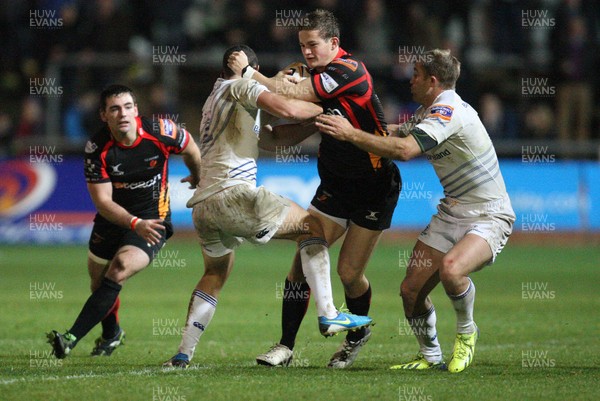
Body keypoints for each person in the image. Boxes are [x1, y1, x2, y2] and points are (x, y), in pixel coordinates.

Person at [162, 45, 372, 369]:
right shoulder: (241, 85)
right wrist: (329, 107)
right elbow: (286, 107)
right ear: (251, 67)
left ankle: (182, 353)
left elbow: (273, 138)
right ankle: (329, 313)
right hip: (235, 196)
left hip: (204, 207)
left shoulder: (217, 96)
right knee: (313, 228)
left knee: (215, 272)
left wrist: (314, 121)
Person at [315, 49, 516, 373]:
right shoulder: (430, 111)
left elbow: (406, 150)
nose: (411, 81)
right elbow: (397, 132)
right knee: (411, 291)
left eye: (417, 75)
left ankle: (467, 332)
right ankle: (431, 355)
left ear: (433, 81)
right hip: (451, 212)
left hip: (488, 214)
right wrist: (349, 122)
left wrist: (351, 134)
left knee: (452, 270)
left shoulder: (448, 111)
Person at [228, 9, 400, 368]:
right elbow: (294, 130)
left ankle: (356, 336)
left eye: (313, 45)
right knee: (300, 267)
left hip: (374, 184)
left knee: (349, 274)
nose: (306, 52)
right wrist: (255, 136)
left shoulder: (348, 72)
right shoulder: (318, 75)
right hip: (335, 184)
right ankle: (285, 347)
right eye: (302, 45)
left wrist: (249, 73)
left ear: (334, 43)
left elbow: (293, 95)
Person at [47, 84, 203, 358]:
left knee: (118, 268)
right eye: (115, 109)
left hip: (153, 221)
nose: (123, 114)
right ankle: (112, 334)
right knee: (99, 285)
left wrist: (198, 176)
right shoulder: (97, 149)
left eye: (128, 107)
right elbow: (103, 202)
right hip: (112, 221)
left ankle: (70, 338)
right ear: (103, 116)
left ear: (137, 110)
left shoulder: (161, 131)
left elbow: (191, 149)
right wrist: (132, 223)